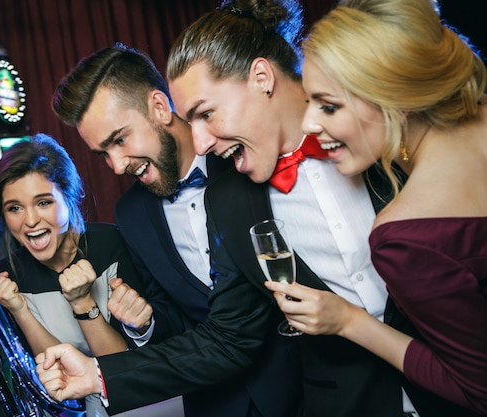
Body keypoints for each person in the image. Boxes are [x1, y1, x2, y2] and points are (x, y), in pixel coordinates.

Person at [37, 1, 481, 416]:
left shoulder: (377, 128)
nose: (202, 140)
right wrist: (99, 375)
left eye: (206, 113)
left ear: (262, 78)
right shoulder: (230, 201)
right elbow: (228, 336)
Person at [265, 0, 487, 414]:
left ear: (395, 97)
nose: (309, 124)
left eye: (328, 105)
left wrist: (350, 322)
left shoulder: (406, 236)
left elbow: (478, 389)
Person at [51, 44, 293, 417]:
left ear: (160, 107)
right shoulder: (130, 213)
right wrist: (147, 321)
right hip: (215, 403)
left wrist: (100, 376)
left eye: (119, 140)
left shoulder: (244, 159)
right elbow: (180, 316)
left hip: (304, 387)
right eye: (103, 153)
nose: (115, 166)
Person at [0, 133, 143, 417]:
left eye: (44, 202)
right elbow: (61, 378)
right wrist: (20, 310)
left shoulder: (113, 244)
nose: (30, 221)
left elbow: (124, 368)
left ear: (69, 198)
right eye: (15, 208)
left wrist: (82, 302)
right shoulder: (7, 277)